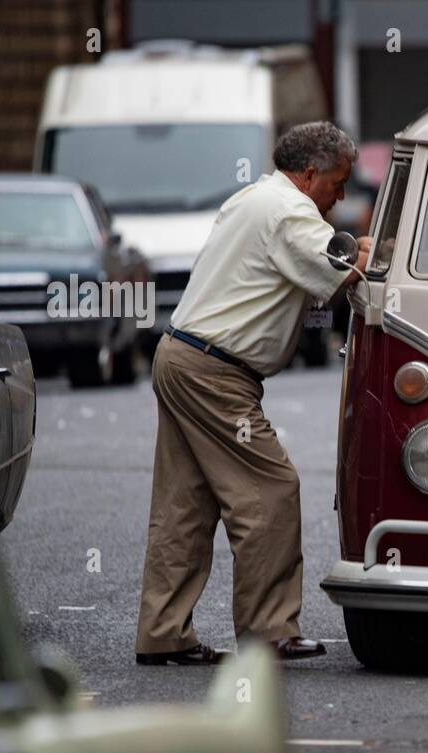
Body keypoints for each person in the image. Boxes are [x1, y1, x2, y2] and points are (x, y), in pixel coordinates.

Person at [135, 121, 370, 665]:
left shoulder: (252, 200)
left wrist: (346, 252)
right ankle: (268, 629)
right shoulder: (290, 211)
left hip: (183, 356)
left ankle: (163, 632)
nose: (340, 197)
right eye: (337, 183)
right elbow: (336, 275)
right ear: (309, 174)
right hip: (216, 372)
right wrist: (367, 252)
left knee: (184, 507)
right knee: (271, 489)